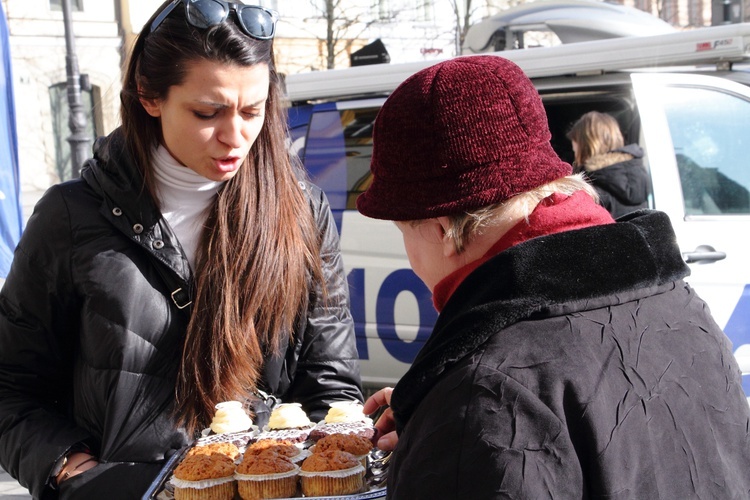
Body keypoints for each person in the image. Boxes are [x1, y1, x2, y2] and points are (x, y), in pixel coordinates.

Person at [0, 1, 363, 498]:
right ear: (150, 97)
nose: (235, 136)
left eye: (253, 111)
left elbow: (329, 386)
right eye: (207, 112)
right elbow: (10, 386)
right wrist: (74, 470)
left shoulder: (301, 210)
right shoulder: (71, 216)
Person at [359, 55, 750, 499]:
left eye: (402, 232)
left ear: (442, 229)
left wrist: (447, 426)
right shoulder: (684, 308)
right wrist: (431, 416)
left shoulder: (482, 395)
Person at [566, 110, 650, 218]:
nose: (575, 157)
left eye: (575, 151)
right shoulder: (639, 177)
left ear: (587, 148)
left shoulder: (593, 191)